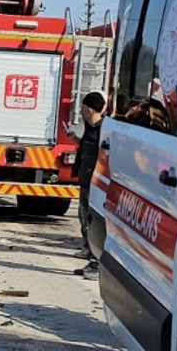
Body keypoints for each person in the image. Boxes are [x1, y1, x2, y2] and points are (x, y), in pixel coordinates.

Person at [72, 91, 106, 264]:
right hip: (85, 180)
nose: (80, 111)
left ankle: (95, 256)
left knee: (92, 220)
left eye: (83, 107)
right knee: (83, 216)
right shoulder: (90, 128)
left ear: (91, 109)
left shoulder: (104, 131)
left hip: (96, 184)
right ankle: (88, 248)